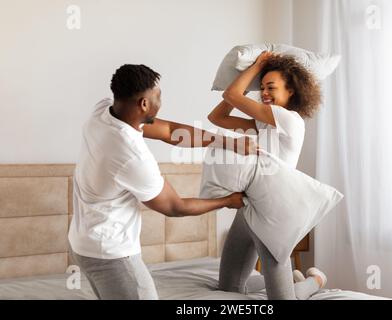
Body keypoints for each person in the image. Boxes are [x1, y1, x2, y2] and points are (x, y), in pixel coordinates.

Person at [68, 64, 256, 300]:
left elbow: (169, 131)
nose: (161, 100)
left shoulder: (103, 113)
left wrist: (230, 142)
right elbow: (175, 207)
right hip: (112, 255)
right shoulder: (131, 155)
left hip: (82, 243)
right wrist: (227, 200)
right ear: (144, 104)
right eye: (158, 95)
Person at [208, 52, 327, 300]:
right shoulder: (264, 123)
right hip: (250, 206)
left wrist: (258, 65)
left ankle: (315, 280)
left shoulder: (289, 119)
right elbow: (216, 117)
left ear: (291, 91)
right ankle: (283, 282)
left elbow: (231, 95)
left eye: (270, 87)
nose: (263, 92)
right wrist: (250, 80)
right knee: (228, 288)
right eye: (261, 87)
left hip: (275, 212)